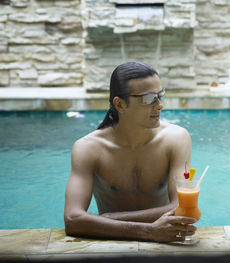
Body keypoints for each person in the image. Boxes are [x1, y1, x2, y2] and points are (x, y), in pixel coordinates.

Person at [64, 61, 196, 243]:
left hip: (146, 239)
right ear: (119, 104)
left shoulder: (176, 139)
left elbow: (182, 207)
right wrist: (149, 231)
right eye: (149, 98)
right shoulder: (89, 148)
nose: (160, 105)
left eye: (160, 95)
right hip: (113, 246)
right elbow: (73, 219)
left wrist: (110, 219)